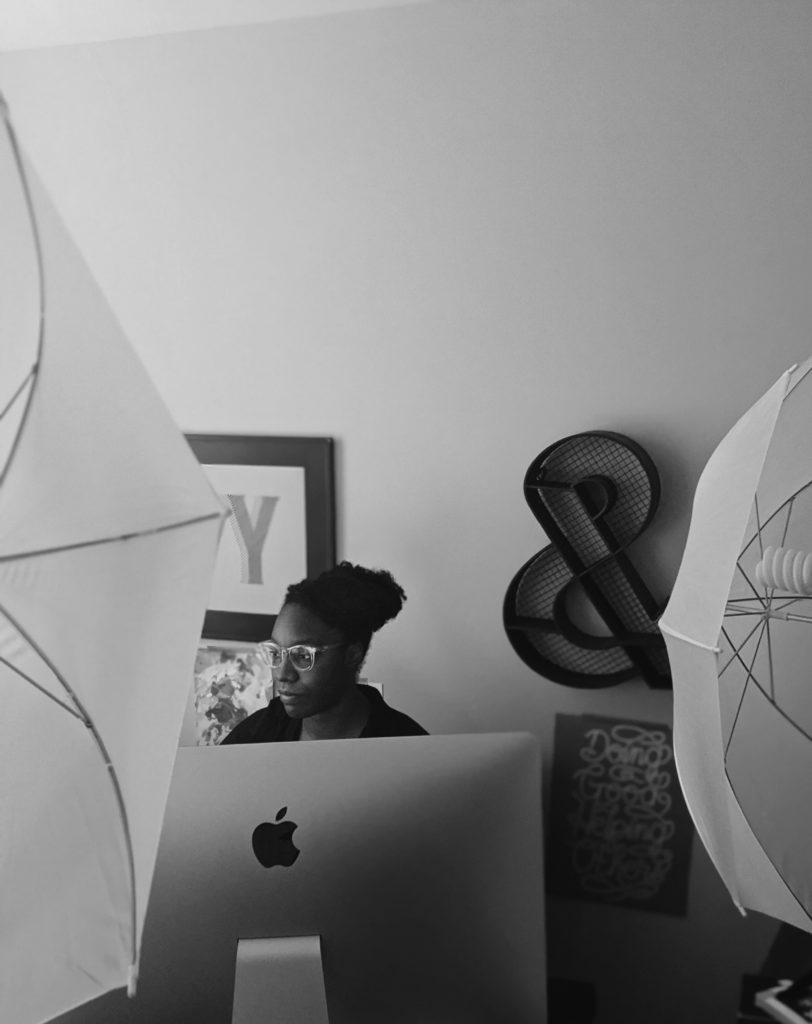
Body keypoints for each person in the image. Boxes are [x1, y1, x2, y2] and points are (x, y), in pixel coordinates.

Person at [221, 561, 428, 743]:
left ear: (352, 655)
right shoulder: (259, 735)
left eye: (302, 655)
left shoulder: (407, 747)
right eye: (276, 653)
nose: (282, 675)